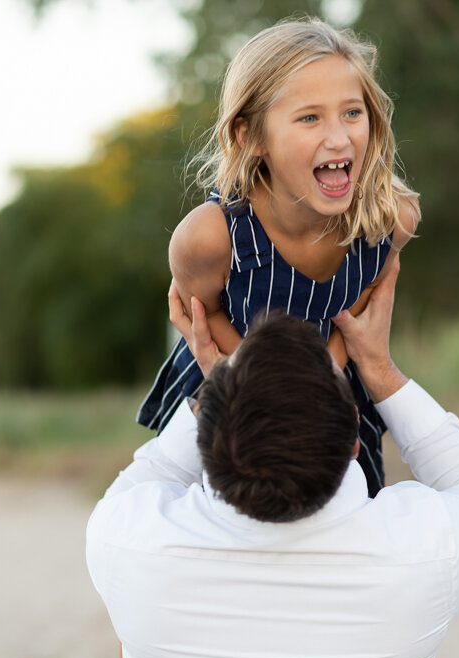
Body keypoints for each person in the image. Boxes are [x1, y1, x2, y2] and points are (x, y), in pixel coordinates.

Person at [88, 258, 459, 658]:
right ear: (354, 439)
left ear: (208, 438)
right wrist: (378, 367)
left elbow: (151, 475)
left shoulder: (127, 542)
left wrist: (220, 389)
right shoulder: (422, 553)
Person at [137, 17, 421, 499]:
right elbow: (200, 320)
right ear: (250, 136)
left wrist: (325, 378)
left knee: (345, 523)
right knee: (222, 532)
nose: (339, 138)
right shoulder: (209, 238)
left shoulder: (389, 219)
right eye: (310, 118)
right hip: (226, 381)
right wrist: (268, 377)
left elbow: (356, 314)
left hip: (333, 388)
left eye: (352, 113)